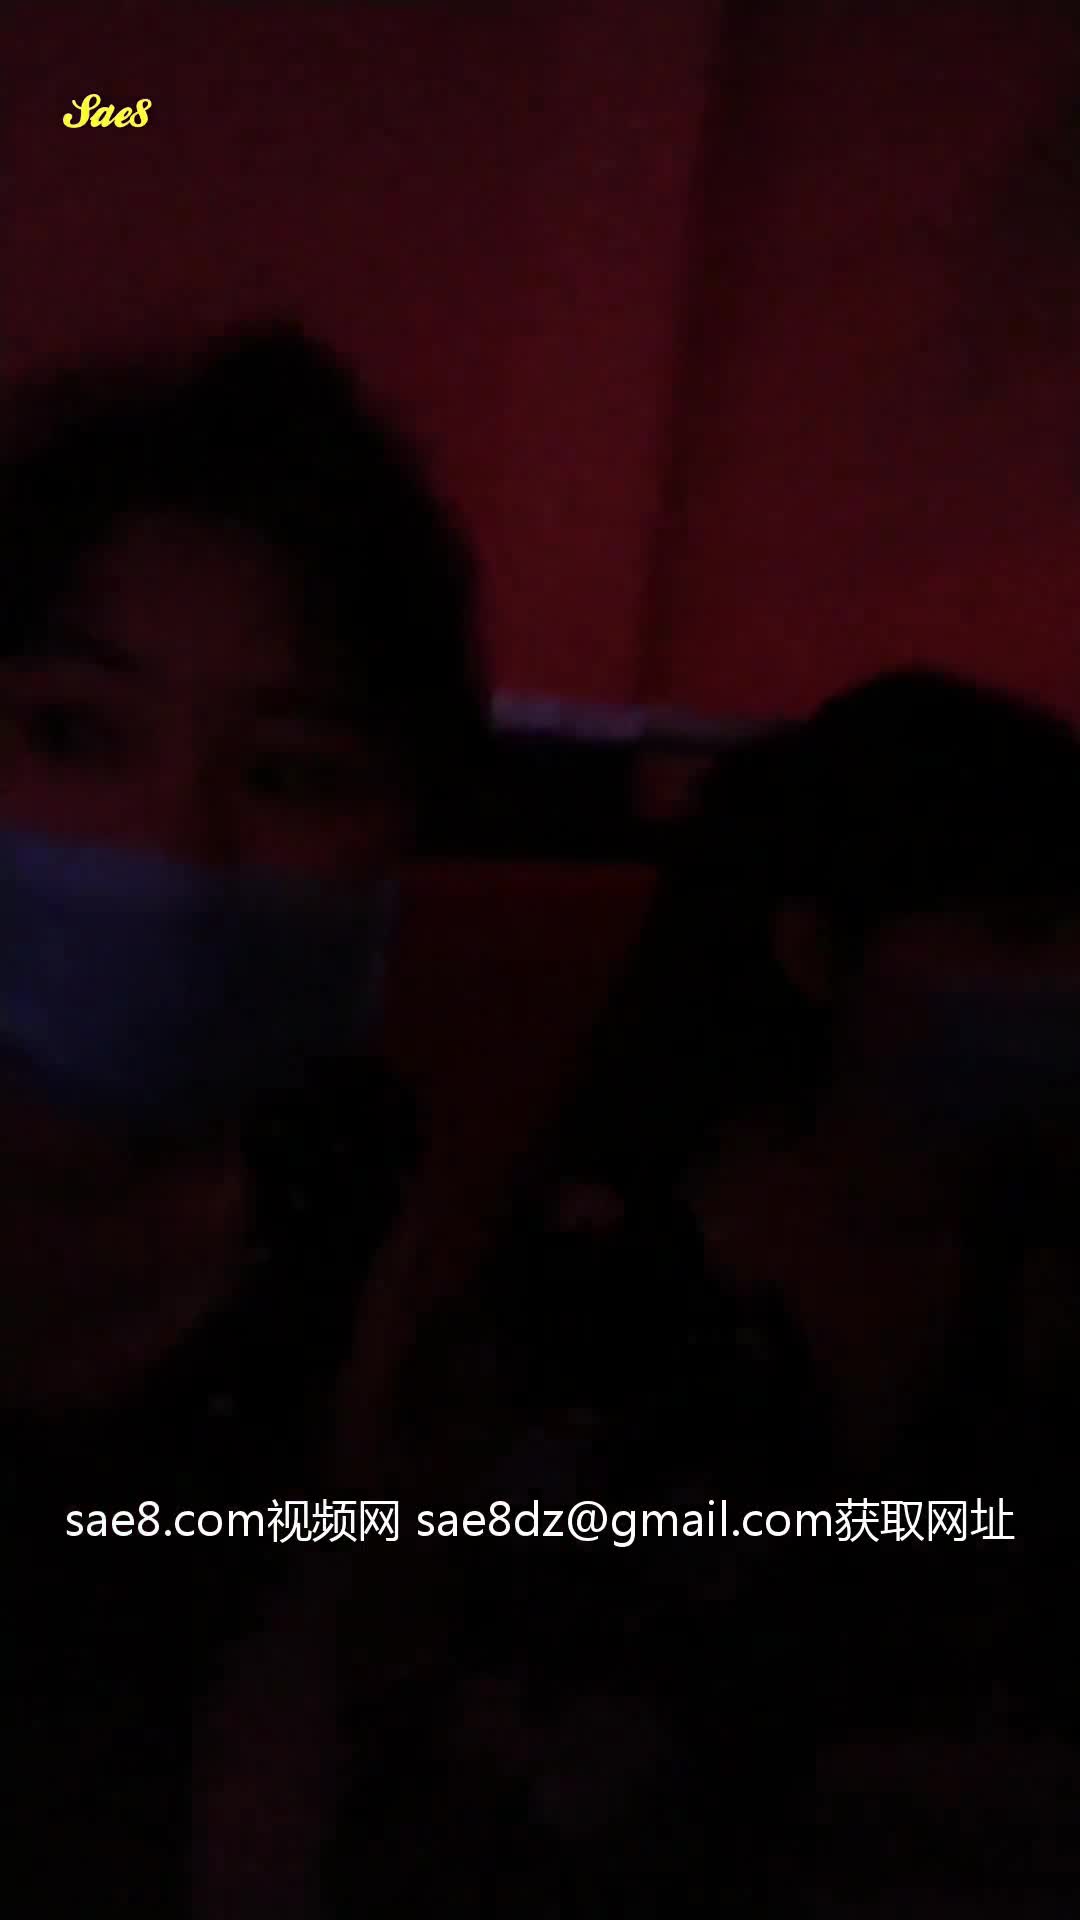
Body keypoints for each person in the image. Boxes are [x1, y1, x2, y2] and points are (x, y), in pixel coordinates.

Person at [340, 667, 1080, 1916]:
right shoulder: (603, 1294)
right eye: (1019, 931)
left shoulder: (1035, 1266)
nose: (1069, 981)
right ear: (814, 952)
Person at [1, 322, 486, 1915]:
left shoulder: (340, 1176)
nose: (179, 846)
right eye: (71, 734)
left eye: (287, 772)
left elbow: (280, 1680)